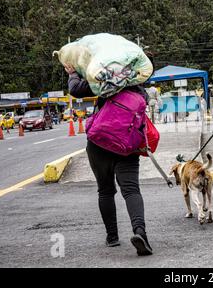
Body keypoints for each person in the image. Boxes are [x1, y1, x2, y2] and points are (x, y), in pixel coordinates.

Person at [65, 64, 153, 256]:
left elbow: (76, 90)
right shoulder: (137, 86)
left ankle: (112, 237)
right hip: (127, 145)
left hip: (99, 143)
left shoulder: (104, 81)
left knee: (105, 191)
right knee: (131, 190)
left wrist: (73, 73)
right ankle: (140, 232)